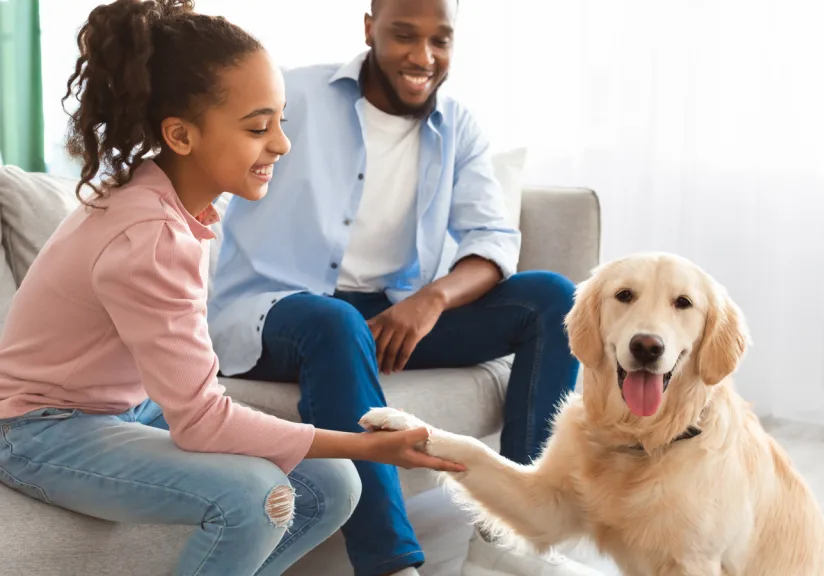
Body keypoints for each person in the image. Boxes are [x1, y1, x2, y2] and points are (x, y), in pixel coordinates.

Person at [0, 1, 463, 575]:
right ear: (181, 135)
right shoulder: (148, 234)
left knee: (334, 484)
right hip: (36, 429)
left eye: (281, 122)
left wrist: (351, 455)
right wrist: (368, 446)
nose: (281, 145)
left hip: (120, 409)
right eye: (257, 127)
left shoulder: (173, 204)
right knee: (252, 496)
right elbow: (202, 420)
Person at [207, 1, 602, 575]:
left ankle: (510, 536)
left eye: (440, 40)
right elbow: (212, 158)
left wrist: (430, 299)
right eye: (403, 36)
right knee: (332, 321)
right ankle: (389, 563)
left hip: (389, 310)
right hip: (275, 308)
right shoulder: (293, 95)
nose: (423, 57)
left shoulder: (458, 126)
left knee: (552, 299)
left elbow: (492, 238)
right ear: (369, 29)